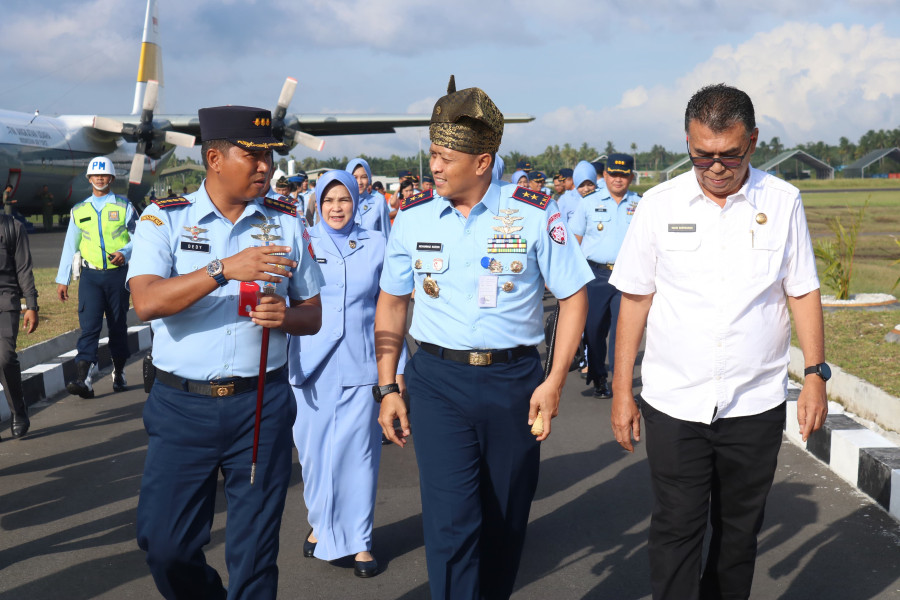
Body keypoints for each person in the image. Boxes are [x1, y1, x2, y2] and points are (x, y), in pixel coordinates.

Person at [375, 76, 592, 600]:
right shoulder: (411, 219)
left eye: (446, 156)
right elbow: (393, 301)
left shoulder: (537, 214)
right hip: (437, 382)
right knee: (450, 525)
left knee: (504, 520)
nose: (435, 166)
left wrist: (554, 380)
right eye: (432, 153)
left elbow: (573, 296)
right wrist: (387, 388)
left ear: (483, 161)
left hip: (514, 383)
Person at [609, 84, 828, 600]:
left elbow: (802, 289)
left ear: (752, 141)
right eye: (702, 154)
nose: (715, 166)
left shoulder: (782, 201)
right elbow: (635, 300)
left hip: (754, 402)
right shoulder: (659, 205)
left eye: (729, 154)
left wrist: (816, 375)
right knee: (676, 530)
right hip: (675, 401)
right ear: (687, 141)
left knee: (738, 535)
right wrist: (622, 390)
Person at [128, 105, 324, 600]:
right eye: (252, 155)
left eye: (270, 156)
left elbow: (313, 313)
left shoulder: (286, 222)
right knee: (165, 546)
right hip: (182, 407)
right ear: (214, 158)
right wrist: (223, 269)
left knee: (255, 553)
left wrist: (287, 317)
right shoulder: (164, 219)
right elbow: (147, 301)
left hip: (260, 405)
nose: (266, 166)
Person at [289, 169, 407, 579]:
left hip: (363, 366)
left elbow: (391, 309)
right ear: (317, 205)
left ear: (356, 202)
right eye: (328, 201)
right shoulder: (302, 241)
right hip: (311, 368)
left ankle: (360, 541)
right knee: (315, 457)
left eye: (343, 200)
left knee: (359, 459)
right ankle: (322, 527)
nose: (336, 208)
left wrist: (396, 370)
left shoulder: (376, 243)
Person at [55, 157, 136, 398]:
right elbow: (70, 246)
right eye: (95, 175)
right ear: (89, 179)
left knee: (118, 327)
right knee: (89, 328)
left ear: (111, 178)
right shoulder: (79, 210)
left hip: (118, 276)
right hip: (90, 277)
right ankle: (83, 379)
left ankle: (119, 372)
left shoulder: (124, 206)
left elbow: (140, 236)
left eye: (104, 175)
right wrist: (63, 279)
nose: (100, 179)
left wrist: (125, 252)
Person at [570, 153, 639, 399]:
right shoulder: (588, 203)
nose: (618, 180)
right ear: (605, 175)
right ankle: (598, 377)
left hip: (627, 276)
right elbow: (574, 241)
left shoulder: (640, 204)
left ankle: (621, 384)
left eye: (624, 175)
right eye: (613, 174)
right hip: (595, 275)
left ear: (631, 176)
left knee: (624, 332)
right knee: (593, 329)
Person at [0, 213, 39, 440]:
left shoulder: (13, 228)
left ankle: (19, 410)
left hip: (6, 301)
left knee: (4, 357)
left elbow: (24, 269)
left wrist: (31, 305)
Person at [347, 158, 391, 234]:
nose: (359, 182)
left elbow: (386, 234)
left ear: (369, 179)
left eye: (364, 177)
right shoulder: (342, 204)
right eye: (355, 177)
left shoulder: (378, 202)